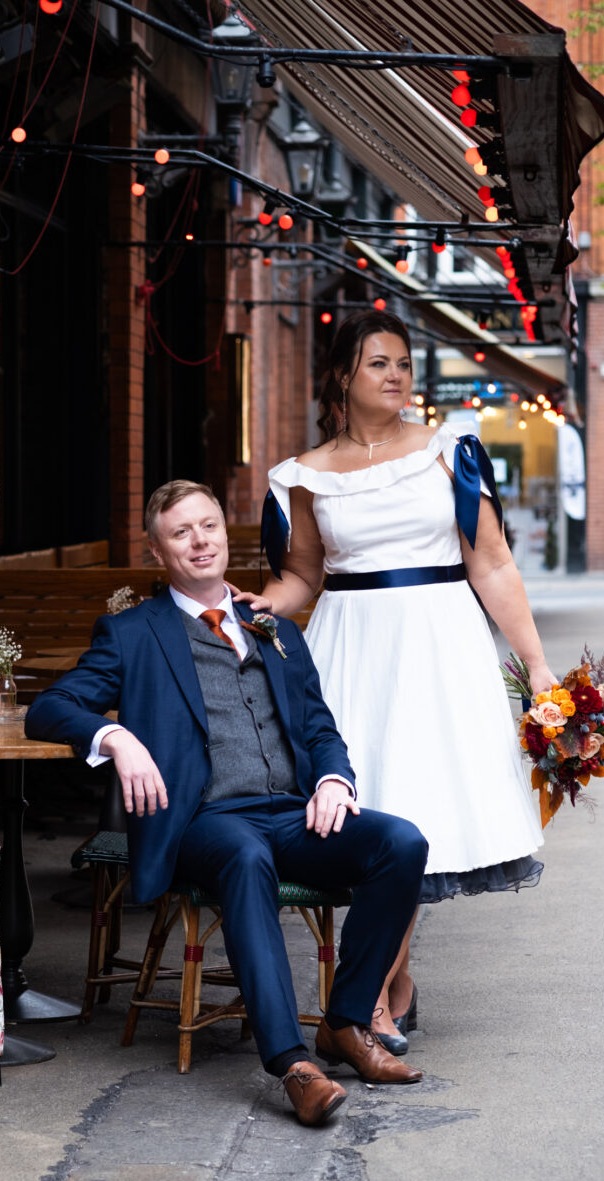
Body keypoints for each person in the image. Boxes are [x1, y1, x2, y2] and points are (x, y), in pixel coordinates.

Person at [25, 479, 429, 1126]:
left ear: (224, 533)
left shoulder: (275, 629)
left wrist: (333, 782)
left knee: (400, 842)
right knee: (244, 858)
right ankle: (293, 1064)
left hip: (291, 815)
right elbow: (48, 708)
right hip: (203, 823)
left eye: (208, 525)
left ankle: (347, 1023)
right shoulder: (133, 633)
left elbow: (321, 729)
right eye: (181, 532)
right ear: (158, 552)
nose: (200, 541)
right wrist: (116, 736)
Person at [239, 310, 554, 1053]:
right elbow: (304, 576)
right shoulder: (304, 476)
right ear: (343, 375)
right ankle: (386, 987)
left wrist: (536, 664)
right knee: (370, 811)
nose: (397, 376)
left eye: (405, 364)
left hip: (439, 645)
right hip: (352, 646)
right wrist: (259, 605)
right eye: (380, 363)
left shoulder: (450, 452)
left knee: (421, 807)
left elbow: (494, 563)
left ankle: (376, 992)